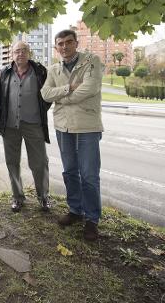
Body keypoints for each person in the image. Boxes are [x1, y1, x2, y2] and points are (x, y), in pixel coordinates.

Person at [40, 29, 103, 242]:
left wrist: (63, 97)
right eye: (60, 43)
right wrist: (68, 88)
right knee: (70, 172)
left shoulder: (91, 61)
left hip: (87, 127)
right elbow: (45, 93)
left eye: (68, 42)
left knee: (89, 176)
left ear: (76, 43)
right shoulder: (53, 69)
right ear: (56, 47)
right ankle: (76, 211)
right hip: (63, 127)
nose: (64, 46)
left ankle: (92, 219)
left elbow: (90, 89)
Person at [0, 40, 52, 213]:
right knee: (12, 162)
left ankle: (43, 197)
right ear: (12, 54)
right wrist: (0, 122)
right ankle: (17, 197)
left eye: (24, 50)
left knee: (39, 162)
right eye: (17, 51)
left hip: (33, 124)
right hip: (10, 125)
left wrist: (38, 111)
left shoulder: (40, 71)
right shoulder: (5, 73)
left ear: (29, 53)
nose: (20, 54)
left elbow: (47, 98)